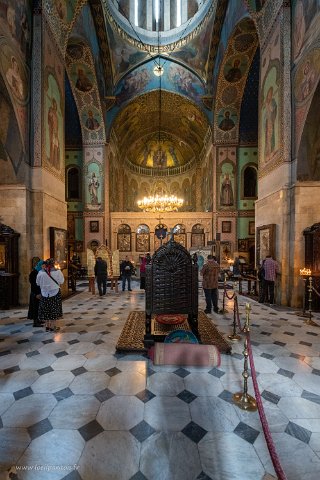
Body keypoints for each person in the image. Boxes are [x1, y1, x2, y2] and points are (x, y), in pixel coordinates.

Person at [36, 258, 64, 332]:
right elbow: (62, 281)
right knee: (54, 309)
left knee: (45, 309)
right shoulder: (58, 271)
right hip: (55, 293)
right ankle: (53, 326)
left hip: (44, 293)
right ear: (53, 264)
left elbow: (38, 283)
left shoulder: (41, 272)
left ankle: (47, 326)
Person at [27, 260, 44, 327]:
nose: (44, 267)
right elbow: (33, 284)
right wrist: (37, 293)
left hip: (39, 292)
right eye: (43, 266)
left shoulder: (39, 272)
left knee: (39, 307)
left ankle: (38, 319)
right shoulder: (34, 273)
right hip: (35, 293)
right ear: (39, 265)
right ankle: (35, 322)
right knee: (35, 307)